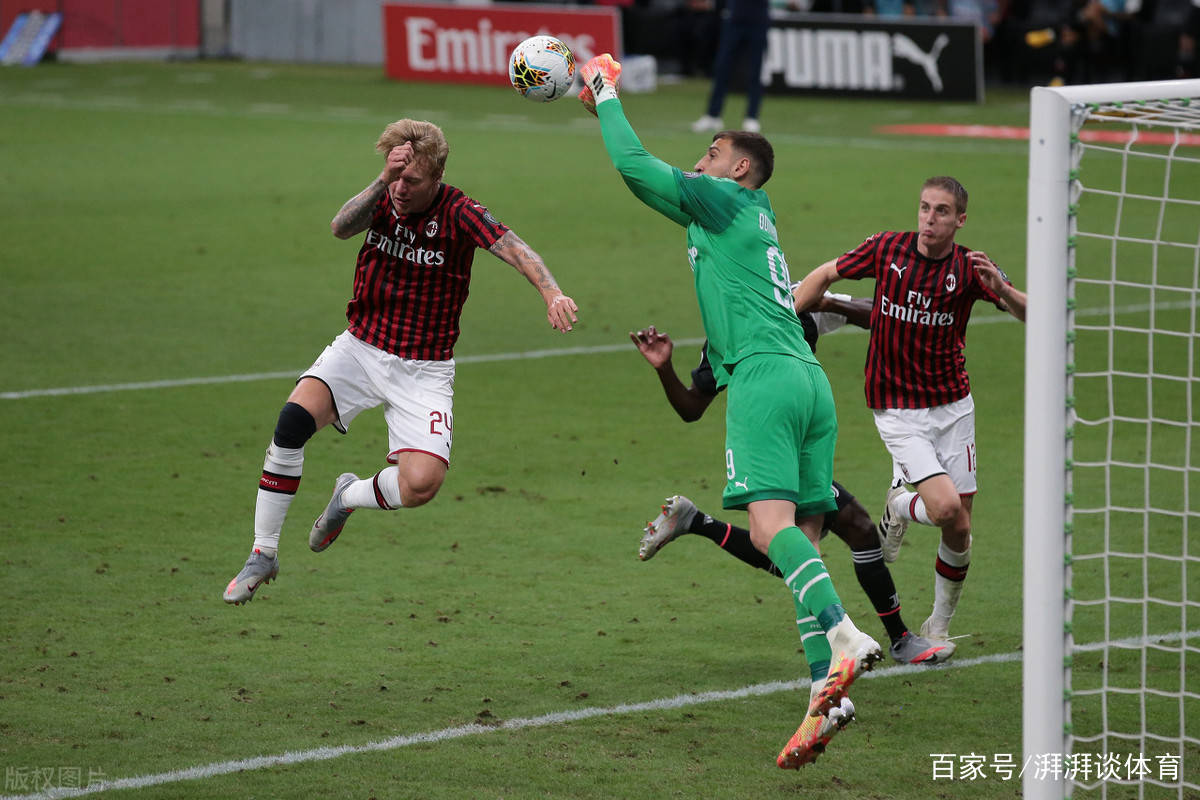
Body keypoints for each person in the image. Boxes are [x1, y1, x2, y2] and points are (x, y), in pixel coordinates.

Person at [579, 55, 883, 770]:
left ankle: (846, 637)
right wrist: (593, 103)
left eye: (713, 153)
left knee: (769, 528)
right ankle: (823, 696)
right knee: (800, 543)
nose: (700, 159)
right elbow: (692, 403)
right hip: (807, 384)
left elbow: (633, 166)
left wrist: (603, 90)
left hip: (767, 384)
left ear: (740, 171)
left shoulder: (725, 201)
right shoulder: (748, 229)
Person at [223, 119, 579, 606]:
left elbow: (513, 247)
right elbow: (339, 228)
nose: (402, 189)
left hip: (424, 369)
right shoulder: (382, 199)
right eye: (396, 176)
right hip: (360, 349)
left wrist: (551, 291)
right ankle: (263, 552)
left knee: (421, 485)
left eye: (412, 181)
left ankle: (347, 497)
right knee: (291, 422)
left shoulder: (459, 211)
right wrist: (381, 181)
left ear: (437, 177)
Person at [631, 294, 953, 667]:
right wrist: (664, 367)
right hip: (767, 451)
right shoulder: (724, 333)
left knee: (797, 546)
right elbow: (692, 408)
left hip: (803, 445)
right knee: (839, 532)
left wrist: (828, 299)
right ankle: (888, 641)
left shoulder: (793, 299)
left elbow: (875, 314)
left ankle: (696, 522)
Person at [793, 175, 1027, 650]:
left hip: (954, 406)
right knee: (942, 509)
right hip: (897, 406)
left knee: (960, 527)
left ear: (960, 220)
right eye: (924, 208)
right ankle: (899, 503)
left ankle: (937, 626)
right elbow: (827, 273)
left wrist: (1003, 288)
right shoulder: (888, 249)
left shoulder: (969, 269)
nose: (929, 219)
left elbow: (1036, 314)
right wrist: (783, 318)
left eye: (941, 211)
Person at [690, 0, 770, 134]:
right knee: (722, 68)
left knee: (755, 71)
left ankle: (752, 117)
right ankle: (712, 115)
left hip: (758, 21)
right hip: (734, 20)